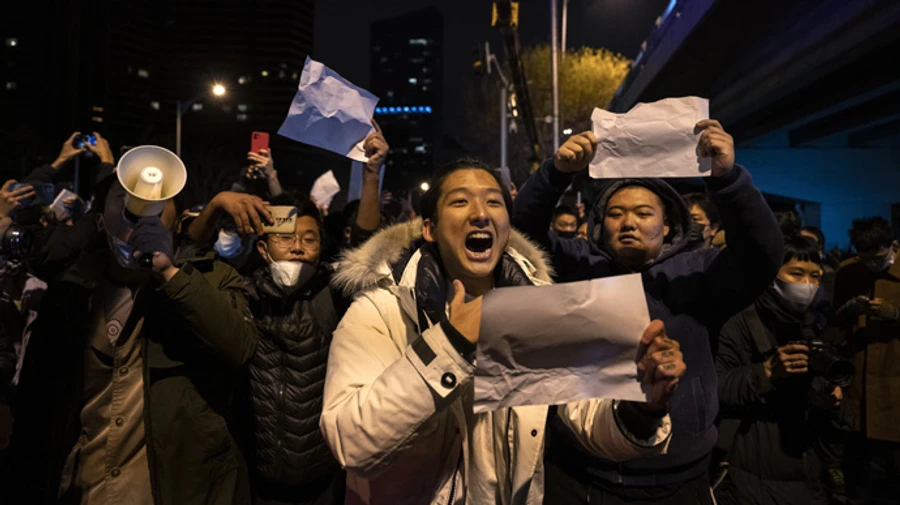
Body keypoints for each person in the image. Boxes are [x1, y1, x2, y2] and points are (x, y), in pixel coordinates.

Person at [322, 158, 685, 505]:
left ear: (507, 226)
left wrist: (645, 407)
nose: (480, 213)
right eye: (460, 201)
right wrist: (451, 344)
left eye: (494, 202)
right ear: (429, 228)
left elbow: (588, 419)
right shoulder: (380, 311)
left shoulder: (538, 309)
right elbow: (352, 444)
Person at [512, 120, 783, 504]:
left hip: (681, 480)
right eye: (616, 214)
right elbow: (520, 238)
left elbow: (762, 255)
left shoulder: (700, 273)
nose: (628, 223)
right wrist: (555, 175)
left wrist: (727, 179)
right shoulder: (575, 268)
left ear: (668, 223)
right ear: (599, 225)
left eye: (643, 213)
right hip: (582, 478)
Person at [2, 174, 259, 504]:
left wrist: (168, 272)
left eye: (157, 200)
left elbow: (239, 347)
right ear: (100, 218)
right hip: (84, 488)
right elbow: (37, 408)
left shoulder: (210, 279)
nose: (142, 209)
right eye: (127, 200)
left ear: (179, 219)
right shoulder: (71, 292)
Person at [714, 235, 840, 505]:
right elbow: (715, 386)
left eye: (814, 276)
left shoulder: (811, 325)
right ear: (770, 273)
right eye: (796, 273)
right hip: (751, 473)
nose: (806, 285)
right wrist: (766, 372)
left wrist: (832, 399)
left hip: (807, 470)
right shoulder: (737, 322)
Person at [831, 217, 900, 505]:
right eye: (864, 258)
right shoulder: (848, 272)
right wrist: (849, 309)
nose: (871, 265)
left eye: (878, 258)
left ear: (893, 246)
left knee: (891, 471)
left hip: (894, 385)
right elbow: (833, 322)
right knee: (858, 471)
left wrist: (894, 314)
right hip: (858, 384)